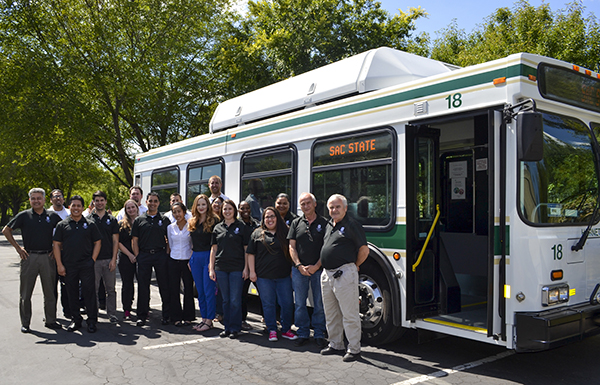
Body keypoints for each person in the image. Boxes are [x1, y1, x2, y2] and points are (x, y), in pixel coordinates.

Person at [2, 188, 62, 333]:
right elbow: (6, 230)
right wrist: (18, 248)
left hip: (48, 257)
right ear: (30, 200)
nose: (36, 201)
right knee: (25, 293)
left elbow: (64, 231)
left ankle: (51, 320)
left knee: (50, 292)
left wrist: (57, 250)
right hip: (29, 257)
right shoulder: (24, 216)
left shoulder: (52, 216)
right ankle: (25, 322)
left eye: (39, 198)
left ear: (44, 200)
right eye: (33, 198)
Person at [319, 194, 369, 362]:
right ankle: (336, 344)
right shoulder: (329, 225)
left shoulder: (352, 225)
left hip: (344, 273)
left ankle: (354, 349)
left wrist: (354, 266)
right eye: (331, 207)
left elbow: (364, 250)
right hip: (327, 274)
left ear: (346, 208)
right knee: (331, 313)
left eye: (337, 207)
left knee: (349, 314)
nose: (334, 210)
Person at [247, 207, 297, 342]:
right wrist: (252, 271)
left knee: (287, 303)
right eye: (266, 217)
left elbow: (292, 251)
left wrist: (293, 269)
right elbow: (250, 254)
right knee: (268, 304)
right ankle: (272, 330)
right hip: (263, 277)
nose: (269, 219)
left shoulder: (285, 232)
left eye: (272, 216)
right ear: (263, 219)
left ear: (277, 218)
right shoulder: (257, 233)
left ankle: (286, 329)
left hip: (284, 276)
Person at [53, 195, 102, 333]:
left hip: (86, 264)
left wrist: (92, 259)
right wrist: (59, 265)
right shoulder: (62, 225)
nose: (76, 208)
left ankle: (92, 321)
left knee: (89, 293)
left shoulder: (90, 224)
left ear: (82, 207)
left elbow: (98, 242)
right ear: (69, 207)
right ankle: (76, 320)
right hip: (69, 265)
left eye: (78, 206)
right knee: (72, 293)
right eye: (73, 205)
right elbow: (56, 245)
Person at [287, 192, 328, 348]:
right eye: (302, 204)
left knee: (319, 303)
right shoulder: (296, 223)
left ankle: (319, 333)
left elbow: (326, 248)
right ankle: (303, 332)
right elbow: (292, 246)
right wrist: (298, 265)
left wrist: (317, 266)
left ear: (315, 204)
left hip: (318, 270)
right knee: (299, 304)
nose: (305, 206)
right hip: (299, 270)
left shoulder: (325, 223)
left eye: (308, 203)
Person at [209, 200, 251, 339]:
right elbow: (213, 249)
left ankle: (235, 327)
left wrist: (246, 268)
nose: (227, 211)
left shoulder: (242, 226)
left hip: (237, 268)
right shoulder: (217, 228)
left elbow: (246, 249)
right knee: (225, 300)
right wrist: (211, 268)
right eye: (224, 209)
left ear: (234, 210)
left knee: (235, 299)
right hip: (221, 268)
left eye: (229, 209)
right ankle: (227, 327)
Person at [131, 192, 171, 326]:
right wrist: (138, 256)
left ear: (158, 203)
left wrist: (166, 254)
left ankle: (166, 315)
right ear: (146, 202)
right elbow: (134, 240)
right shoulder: (139, 220)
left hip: (160, 255)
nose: (153, 203)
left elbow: (169, 239)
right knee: (143, 287)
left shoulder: (164, 220)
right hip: (144, 256)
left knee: (164, 286)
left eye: (155, 201)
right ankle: (142, 315)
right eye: (150, 201)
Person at [87, 190, 120, 324]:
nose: (99, 203)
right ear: (93, 202)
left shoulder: (112, 220)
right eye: (97, 200)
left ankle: (112, 314)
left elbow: (115, 241)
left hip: (108, 260)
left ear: (105, 202)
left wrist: (114, 259)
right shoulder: (88, 220)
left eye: (102, 200)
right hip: (93, 261)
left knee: (110, 289)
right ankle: (94, 314)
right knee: (92, 289)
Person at [188, 194, 219, 332]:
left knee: (208, 290)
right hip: (195, 257)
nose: (201, 207)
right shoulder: (192, 221)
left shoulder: (214, 221)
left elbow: (215, 245)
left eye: (204, 204)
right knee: (200, 291)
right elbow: (190, 242)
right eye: (199, 204)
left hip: (208, 257)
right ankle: (204, 319)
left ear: (208, 206)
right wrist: (190, 259)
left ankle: (209, 319)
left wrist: (211, 265)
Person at [166, 202, 195, 326]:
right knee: (174, 289)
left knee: (188, 289)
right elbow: (170, 245)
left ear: (184, 212)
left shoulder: (191, 226)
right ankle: (176, 317)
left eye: (179, 211)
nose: (177, 214)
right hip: (174, 260)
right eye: (174, 212)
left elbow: (192, 244)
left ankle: (188, 316)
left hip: (187, 261)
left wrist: (190, 259)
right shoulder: (170, 227)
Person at [47, 188, 71, 319]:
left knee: (67, 283)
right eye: (55, 196)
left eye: (60, 196)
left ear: (63, 199)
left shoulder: (69, 213)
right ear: (51, 200)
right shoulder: (46, 213)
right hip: (50, 254)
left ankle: (68, 310)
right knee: (50, 285)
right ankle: (51, 313)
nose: (58, 198)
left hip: (66, 253)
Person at [238, 200, 260, 331]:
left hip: (257, 264)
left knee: (263, 293)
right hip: (241, 265)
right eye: (242, 208)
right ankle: (242, 320)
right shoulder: (237, 225)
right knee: (242, 295)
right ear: (239, 210)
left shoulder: (255, 224)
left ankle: (267, 318)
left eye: (247, 208)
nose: (245, 210)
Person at [117, 199, 138, 321]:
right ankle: (126, 309)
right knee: (127, 284)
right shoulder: (121, 224)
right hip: (125, 257)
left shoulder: (141, 222)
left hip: (140, 256)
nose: (131, 210)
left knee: (143, 283)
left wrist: (137, 255)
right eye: (128, 208)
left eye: (132, 207)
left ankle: (143, 309)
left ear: (136, 208)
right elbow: (118, 242)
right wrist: (130, 255)